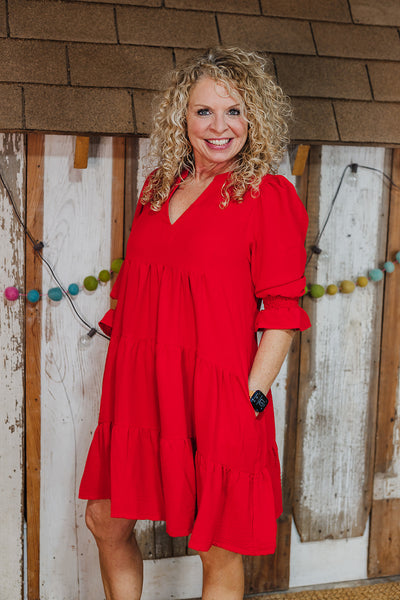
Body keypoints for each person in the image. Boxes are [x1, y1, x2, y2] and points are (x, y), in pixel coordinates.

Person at [79, 46, 311, 600]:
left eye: (234, 111)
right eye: (205, 111)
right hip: (141, 390)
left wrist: (251, 397)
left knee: (218, 547)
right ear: (182, 117)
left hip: (220, 391)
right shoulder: (158, 187)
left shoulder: (267, 196)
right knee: (105, 521)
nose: (219, 126)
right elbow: (142, 288)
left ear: (254, 120)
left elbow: (280, 313)